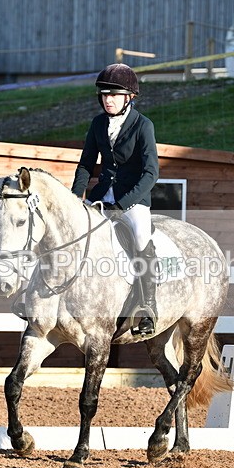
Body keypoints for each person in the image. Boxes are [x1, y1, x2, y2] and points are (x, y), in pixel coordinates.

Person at [71, 63, 159, 336]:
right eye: (104, 95)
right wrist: (76, 199)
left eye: (114, 95)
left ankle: (147, 307)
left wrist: (124, 203)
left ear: (128, 97)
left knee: (142, 238)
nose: (108, 99)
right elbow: (86, 165)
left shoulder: (143, 125)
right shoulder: (97, 124)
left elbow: (151, 172)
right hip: (101, 197)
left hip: (133, 200)